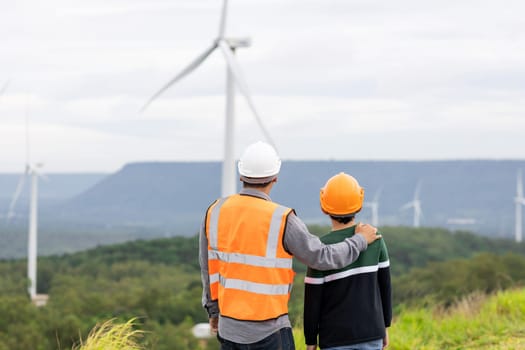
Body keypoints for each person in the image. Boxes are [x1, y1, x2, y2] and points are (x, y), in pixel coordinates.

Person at [199, 141, 381, 350]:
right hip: (270, 332)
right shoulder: (281, 219)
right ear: (275, 178)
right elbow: (322, 257)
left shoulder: (214, 212)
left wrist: (213, 312)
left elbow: (207, 268)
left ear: (241, 175)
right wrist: (359, 241)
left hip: (229, 330)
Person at [303, 172, 392, 350]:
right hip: (371, 332)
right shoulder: (375, 238)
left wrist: (311, 340)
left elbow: (312, 300)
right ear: (359, 205)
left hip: (335, 337)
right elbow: (385, 287)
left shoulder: (321, 249)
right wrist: (385, 325)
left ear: (324, 206)